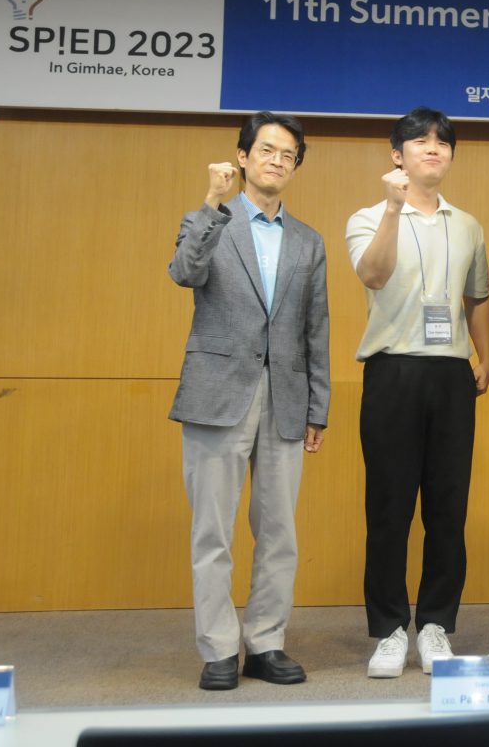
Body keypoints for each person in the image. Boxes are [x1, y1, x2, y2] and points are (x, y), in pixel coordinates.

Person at [167, 111, 329, 691]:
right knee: (212, 530)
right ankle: (217, 648)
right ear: (242, 157)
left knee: (279, 531)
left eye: (288, 154)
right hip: (217, 393)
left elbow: (316, 329)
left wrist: (318, 407)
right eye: (266, 150)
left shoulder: (308, 241)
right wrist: (212, 203)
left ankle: (265, 642)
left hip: (285, 398)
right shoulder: (209, 220)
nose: (277, 161)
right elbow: (184, 272)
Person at [347, 107, 489, 679]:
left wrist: (488, 355)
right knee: (388, 508)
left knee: (447, 509)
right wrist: (393, 207)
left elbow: (477, 297)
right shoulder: (367, 216)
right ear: (397, 155)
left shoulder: (468, 225)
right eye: (420, 141)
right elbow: (374, 274)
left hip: (451, 375)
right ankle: (389, 629)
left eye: (442, 142)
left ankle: (435, 624)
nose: (433, 148)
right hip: (393, 371)